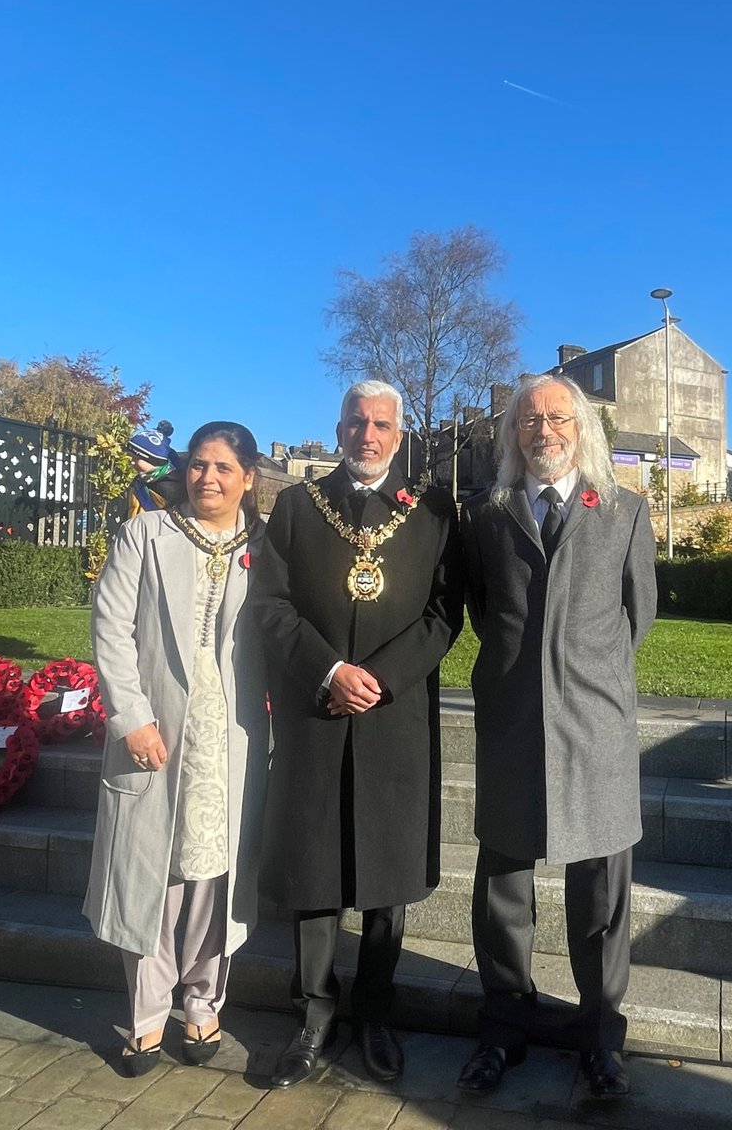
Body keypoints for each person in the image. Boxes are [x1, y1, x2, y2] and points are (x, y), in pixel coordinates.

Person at [252, 379, 462, 1088]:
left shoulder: (433, 509)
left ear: (399, 434)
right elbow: (270, 603)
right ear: (337, 429)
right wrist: (328, 670)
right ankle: (314, 1011)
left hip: (393, 716)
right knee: (315, 866)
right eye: (355, 423)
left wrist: (382, 678)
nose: (367, 436)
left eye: (381, 425)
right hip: (317, 711)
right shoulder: (294, 506)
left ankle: (374, 1011)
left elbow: (443, 612)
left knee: (386, 870)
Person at [455, 373, 657, 1100]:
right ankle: (503, 1028)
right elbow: (483, 606)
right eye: (529, 419)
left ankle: (600, 1038)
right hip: (513, 722)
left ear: (583, 429)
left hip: (596, 726)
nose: (544, 430)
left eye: (558, 417)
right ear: (514, 434)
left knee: (600, 890)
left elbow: (640, 612)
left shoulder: (626, 512)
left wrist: (586, 674)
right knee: (503, 886)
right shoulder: (486, 517)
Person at [84, 421, 268, 1077]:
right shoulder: (144, 535)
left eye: (223, 467)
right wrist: (130, 716)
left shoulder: (267, 546)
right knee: (154, 878)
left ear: (248, 477)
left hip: (231, 737)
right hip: (157, 731)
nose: (207, 478)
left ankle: (203, 1000)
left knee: (214, 876)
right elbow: (111, 628)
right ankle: (144, 1017)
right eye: (197, 465)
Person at [126, 419, 185, 515]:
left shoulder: (172, 489)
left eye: (137, 458)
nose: (132, 463)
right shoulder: (139, 483)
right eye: (131, 457)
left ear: (154, 460)